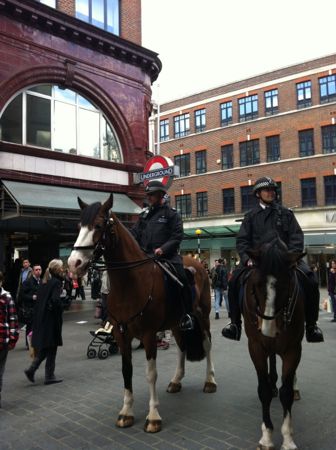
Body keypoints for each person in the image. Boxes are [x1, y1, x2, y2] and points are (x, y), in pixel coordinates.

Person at [222, 176, 324, 343]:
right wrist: (247, 258)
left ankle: (311, 326)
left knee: (311, 280)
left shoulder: (286, 213)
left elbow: (297, 237)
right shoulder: (250, 216)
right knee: (233, 282)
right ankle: (235, 324)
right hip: (257, 263)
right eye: (266, 190)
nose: (270, 193)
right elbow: (242, 241)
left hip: (284, 262)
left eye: (272, 190)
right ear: (257, 194)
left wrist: (291, 257)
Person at [131, 179, 194, 330]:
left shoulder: (171, 214)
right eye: (148, 195)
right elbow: (134, 233)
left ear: (160, 195)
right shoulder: (144, 215)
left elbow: (177, 236)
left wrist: (163, 249)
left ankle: (187, 314)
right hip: (145, 257)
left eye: (152, 195)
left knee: (182, 278)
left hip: (167, 257)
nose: (149, 198)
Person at [24, 259, 64, 385]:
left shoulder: (44, 281)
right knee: (52, 348)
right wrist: (63, 303)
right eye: (61, 267)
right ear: (57, 269)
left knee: (46, 348)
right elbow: (55, 301)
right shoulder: (56, 282)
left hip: (42, 319)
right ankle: (49, 376)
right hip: (51, 320)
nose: (63, 269)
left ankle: (32, 370)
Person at [0, 271, 19, 407]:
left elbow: (12, 318)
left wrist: (12, 339)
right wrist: (13, 338)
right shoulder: (6, 296)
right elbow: (12, 319)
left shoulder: (6, 297)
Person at [21, 264, 42, 349]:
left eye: (39, 269)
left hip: (39, 308)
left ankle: (37, 341)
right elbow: (22, 295)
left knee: (38, 325)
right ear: (33, 271)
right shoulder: (28, 282)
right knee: (30, 326)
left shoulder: (41, 281)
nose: (38, 271)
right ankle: (29, 344)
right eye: (36, 270)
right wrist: (32, 297)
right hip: (30, 308)